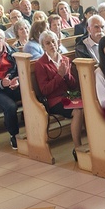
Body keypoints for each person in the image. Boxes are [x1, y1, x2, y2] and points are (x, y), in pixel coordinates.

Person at [34, 30, 85, 161]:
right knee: (78, 111)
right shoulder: (41, 64)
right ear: (43, 46)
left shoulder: (66, 60)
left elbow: (73, 85)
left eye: (53, 41)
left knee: (90, 105)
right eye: (48, 43)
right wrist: (59, 76)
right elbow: (44, 90)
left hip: (69, 97)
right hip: (54, 100)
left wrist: (66, 74)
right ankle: (78, 147)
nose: (52, 45)